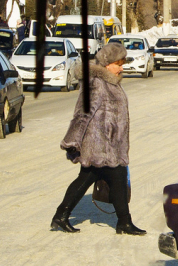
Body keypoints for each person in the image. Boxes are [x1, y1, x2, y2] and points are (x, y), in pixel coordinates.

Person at [51, 42, 145, 236]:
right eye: (118, 63)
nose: (121, 67)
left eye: (122, 63)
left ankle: (123, 222)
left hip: (111, 146)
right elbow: (82, 114)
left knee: (112, 179)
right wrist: (72, 141)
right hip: (98, 145)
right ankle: (122, 223)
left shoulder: (112, 82)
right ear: (106, 63)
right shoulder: (96, 83)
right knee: (92, 179)